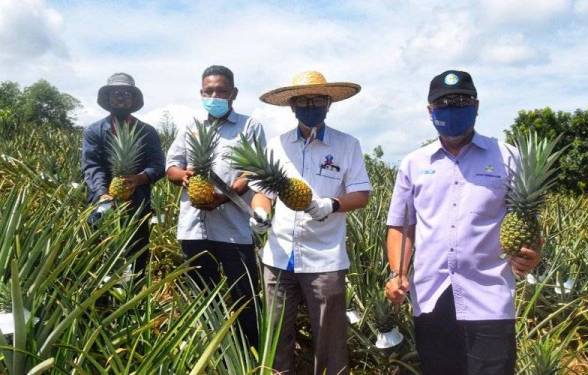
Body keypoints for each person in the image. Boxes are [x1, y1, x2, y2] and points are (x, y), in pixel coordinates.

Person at [384, 70, 541, 375]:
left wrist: (531, 253)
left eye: (461, 100)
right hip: (431, 295)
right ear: (430, 111)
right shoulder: (414, 163)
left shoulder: (508, 157)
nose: (452, 106)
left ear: (477, 105)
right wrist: (397, 272)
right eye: (443, 102)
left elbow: (527, 221)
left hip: (490, 296)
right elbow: (402, 226)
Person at [250, 71, 371, 375]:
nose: (310, 105)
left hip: (325, 258)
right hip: (278, 257)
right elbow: (262, 193)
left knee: (329, 342)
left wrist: (333, 204)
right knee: (276, 337)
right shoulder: (276, 145)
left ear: (329, 103)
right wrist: (261, 213)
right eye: (303, 100)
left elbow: (362, 194)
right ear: (292, 106)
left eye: (317, 99)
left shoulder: (347, 145)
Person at [165, 65, 265, 348]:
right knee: (202, 294)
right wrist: (184, 177)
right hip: (193, 229)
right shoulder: (190, 125)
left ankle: (251, 352)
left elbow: (254, 169)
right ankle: (213, 352)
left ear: (233, 93)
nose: (215, 96)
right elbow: (172, 165)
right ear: (201, 93)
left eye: (221, 91)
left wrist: (227, 194)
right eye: (209, 91)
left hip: (234, 229)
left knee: (245, 294)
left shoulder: (250, 126)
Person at [81, 72, 165, 275]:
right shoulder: (94, 131)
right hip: (101, 204)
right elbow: (91, 165)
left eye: (126, 93)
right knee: (99, 256)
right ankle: (101, 302)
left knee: (137, 256)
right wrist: (102, 193)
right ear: (108, 98)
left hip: (137, 204)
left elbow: (158, 164)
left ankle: (134, 296)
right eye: (116, 92)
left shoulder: (147, 131)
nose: (121, 96)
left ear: (133, 99)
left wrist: (140, 178)